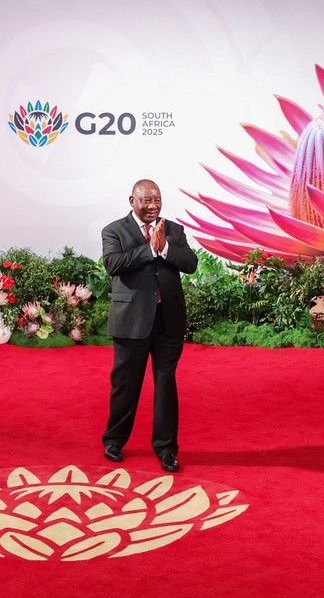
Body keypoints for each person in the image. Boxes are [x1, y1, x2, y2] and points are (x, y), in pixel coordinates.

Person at [101, 179, 198, 473]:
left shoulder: (174, 231)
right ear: (132, 200)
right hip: (131, 321)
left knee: (166, 385)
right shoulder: (114, 230)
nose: (152, 206)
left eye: (157, 200)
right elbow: (113, 264)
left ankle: (167, 449)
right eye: (146, 201)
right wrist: (149, 249)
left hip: (168, 320)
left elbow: (190, 263)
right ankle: (114, 440)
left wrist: (165, 246)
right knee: (125, 385)